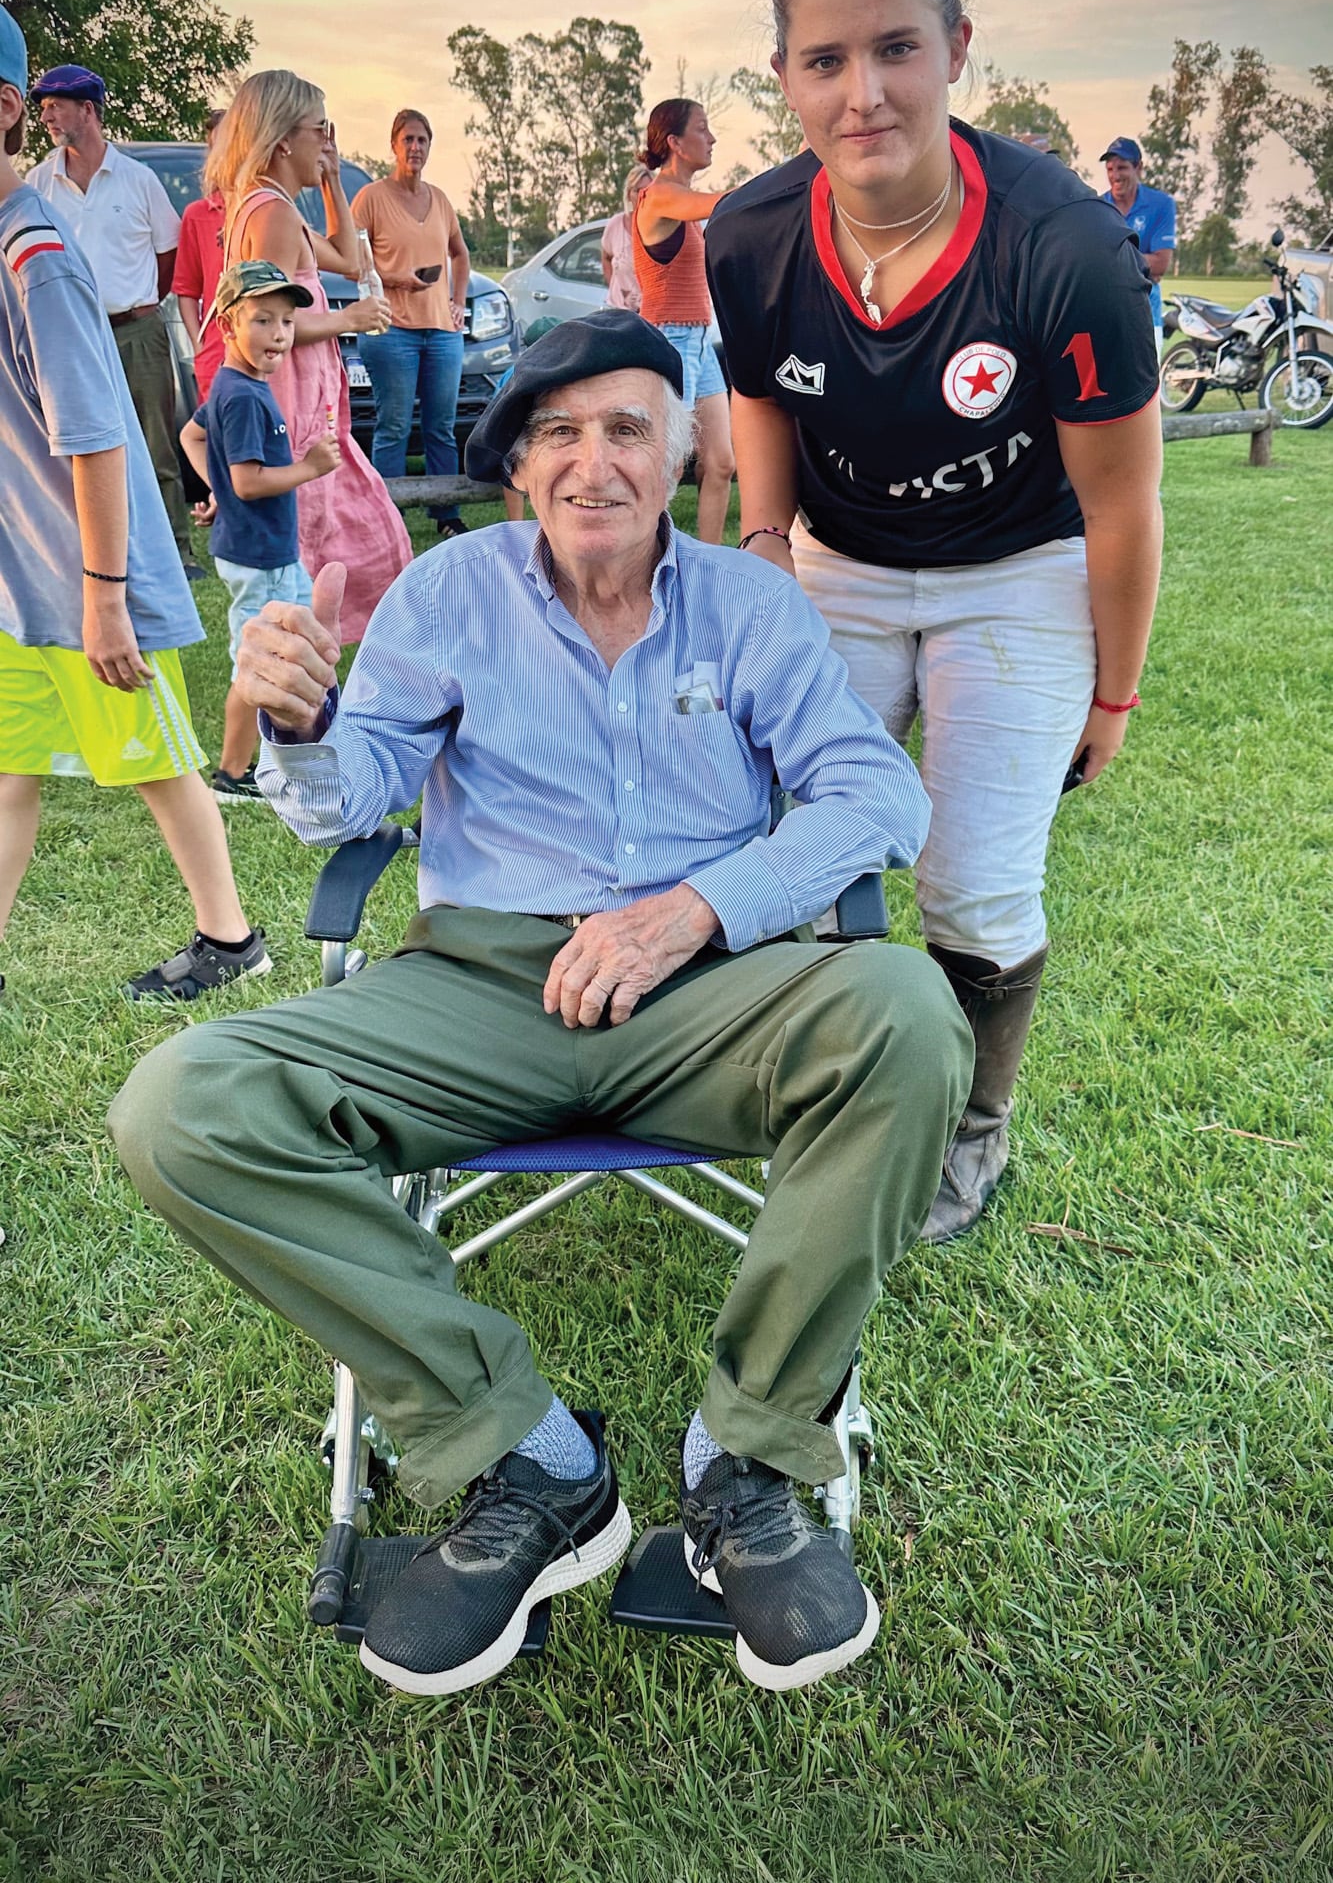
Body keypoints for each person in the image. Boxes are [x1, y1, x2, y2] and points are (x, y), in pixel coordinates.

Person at [111, 309, 972, 1698]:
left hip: (711, 988)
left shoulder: (749, 606)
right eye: (556, 433)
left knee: (907, 1010)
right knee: (182, 1105)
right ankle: (526, 1459)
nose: (593, 462)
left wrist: (693, 912)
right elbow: (353, 797)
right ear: (517, 466)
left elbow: (876, 793)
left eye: (628, 426)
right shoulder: (451, 597)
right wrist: (305, 726)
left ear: (686, 448)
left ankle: (745, 1464)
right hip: (485, 985)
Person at [705, 0, 1162, 1244]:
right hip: (838, 564)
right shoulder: (748, 236)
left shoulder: (1062, 243)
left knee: (971, 881)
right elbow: (761, 405)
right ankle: (829, 1102)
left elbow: (1125, 504)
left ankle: (971, 1128)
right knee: (788, 852)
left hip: (1015, 571)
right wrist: (764, 548)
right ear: (784, 74)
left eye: (896, 48)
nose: (864, 93)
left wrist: (1113, 695)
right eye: (826, 59)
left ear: (956, 48)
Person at [0, 6, 269, 1002]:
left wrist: (105, 592)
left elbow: (96, 436)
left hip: (83, 577)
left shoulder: (39, 260)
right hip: (20, 581)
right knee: (7, 768)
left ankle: (230, 937)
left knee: (156, 758)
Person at [205, 69, 411, 644]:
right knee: (314, 537)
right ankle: (291, 670)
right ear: (282, 138)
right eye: (319, 129)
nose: (327, 141)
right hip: (289, 403)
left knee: (361, 530)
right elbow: (264, 326)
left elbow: (349, 258)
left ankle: (313, 659)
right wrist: (349, 319)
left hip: (308, 403)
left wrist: (332, 181)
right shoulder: (267, 214)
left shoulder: (279, 208)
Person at [26, 62, 199, 578]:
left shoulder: (139, 179)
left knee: (155, 445)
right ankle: (87, 558)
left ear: (89, 109)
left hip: (138, 330)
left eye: (57, 104)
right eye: (42, 106)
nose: (48, 115)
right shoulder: (39, 182)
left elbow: (169, 257)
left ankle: (177, 554)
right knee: (73, 444)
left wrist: (142, 305)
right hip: (71, 336)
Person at [179, 260, 341, 801]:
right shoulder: (246, 395)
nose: (278, 334)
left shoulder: (233, 382)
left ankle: (295, 751)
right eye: (263, 321)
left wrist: (217, 490)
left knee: (295, 647)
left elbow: (192, 437)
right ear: (227, 325)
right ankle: (231, 774)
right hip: (259, 556)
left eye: (287, 323)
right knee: (259, 663)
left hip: (263, 550)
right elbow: (249, 484)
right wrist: (309, 467)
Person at [349, 109, 471, 538]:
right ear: (394, 145)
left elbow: (460, 253)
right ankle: (387, 515)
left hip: (440, 331)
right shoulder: (371, 198)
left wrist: (457, 302)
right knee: (394, 425)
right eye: (408, 140)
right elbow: (350, 260)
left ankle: (447, 515)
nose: (415, 148)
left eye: (422, 140)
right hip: (391, 329)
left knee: (441, 426)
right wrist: (393, 279)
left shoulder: (439, 199)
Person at [632, 99, 735, 543]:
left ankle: (706, 561)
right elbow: (722, 203)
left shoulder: (681, 202)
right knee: (667, 464)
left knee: (721, 461)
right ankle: (646, 561)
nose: (711, 138)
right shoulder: (660, 195)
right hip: (669, 339)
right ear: (674, 141)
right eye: (703, 128)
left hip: (697, 340)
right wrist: (787, 181)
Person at [1100, 136, 1177, 356]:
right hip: (1105, 314)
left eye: (1122, 168)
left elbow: (1160, 264)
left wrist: (1111, 257)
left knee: (1149, 387)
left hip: (1146, 315)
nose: (1115, 176)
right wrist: (1141, 261)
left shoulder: (1161, 204)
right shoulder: (1098, 205)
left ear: (1139, 168)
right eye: (1110, 169)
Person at [173, 108, 228, 405]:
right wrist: (200, 348)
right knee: (215, 444)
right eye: (215, 147)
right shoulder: (197, 215)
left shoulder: (268, 209)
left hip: (269, 353)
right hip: (218, 357)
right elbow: (186, 291)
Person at [600, 162, 652, 311]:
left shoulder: (662, 228)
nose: (643, 196)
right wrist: (613, 287)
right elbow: (606, 257)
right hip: (618, 312)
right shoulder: (616, 225)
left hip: (650, 315)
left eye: (648, 191)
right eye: (638, 191)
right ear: (629, 194)